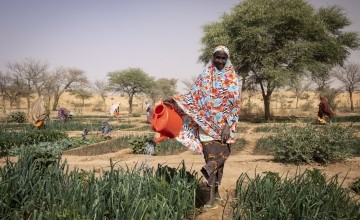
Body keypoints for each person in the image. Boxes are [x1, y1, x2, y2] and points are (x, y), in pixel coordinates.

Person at [165, 45, 241, 210]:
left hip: (224, 127)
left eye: (223, 58)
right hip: (205, 125)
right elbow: (193, 96)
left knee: (221, 158)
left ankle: (216, 192)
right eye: (217, 57)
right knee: (212, 159)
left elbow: (234, 104)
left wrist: (228, 125)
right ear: (212, 57)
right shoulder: (204, 76)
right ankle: (211, 199)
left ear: (227, 59)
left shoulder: (232, 77)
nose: (220, 61)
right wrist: (173, 100)